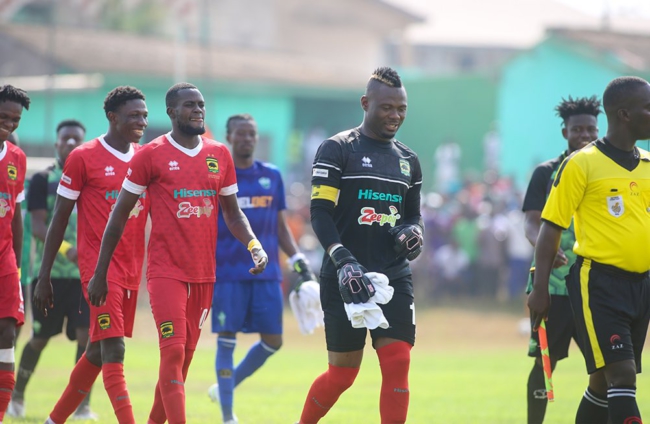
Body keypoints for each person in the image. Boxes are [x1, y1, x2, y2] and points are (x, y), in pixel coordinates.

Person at [88, 82, 268, 424]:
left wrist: (253, 245)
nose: (198, 110)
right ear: (171, 112)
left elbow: (232, 214)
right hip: (165, 272)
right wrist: (100, 272)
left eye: (201, 104)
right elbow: (119, 215)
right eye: (189, 105)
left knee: (182, 362)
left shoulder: (219, 155)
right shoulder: (150, 155)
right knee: (171, 353)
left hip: (204, 274)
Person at [299, 67, 423, 424]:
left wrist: (413, 233)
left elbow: (414, 216)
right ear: (365, 103)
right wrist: (343, 260)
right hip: (344, 275)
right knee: (342, 375)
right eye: (387, 107)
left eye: (401, 109)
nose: (395, 115)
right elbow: (320, 212)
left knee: (398, 361)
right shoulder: (338, 148)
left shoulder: (409, 160)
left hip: (393, 275)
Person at [529, 76, 650, 424]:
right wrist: (540, 289)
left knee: (601, 383)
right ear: (625, 114)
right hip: (599, 283)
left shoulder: (647, 163)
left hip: (641, 285)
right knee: (622, 376)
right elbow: (549, 227)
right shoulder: (581, 163)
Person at [33, 86, 149, 424]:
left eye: (144, 115)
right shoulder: (83, 157)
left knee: (95, 352)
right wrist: (44, 275)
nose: (142, 122)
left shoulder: (145, 158)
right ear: (112, 117)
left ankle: (53, 420)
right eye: (134, 115)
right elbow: (58, 220)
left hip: (131, 270)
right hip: (98, 271)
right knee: (114, 349)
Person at [207, 114, 316, 423]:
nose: (247, 139)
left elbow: (281, 227)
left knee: (273, 340)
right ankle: (228, 416)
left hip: (268, 274)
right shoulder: (218, 176)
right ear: (229, 137)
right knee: (226, 339)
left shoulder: (271, 175)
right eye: (241, 134)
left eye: (252, 134)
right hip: (229, 273)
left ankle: (226, 386)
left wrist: (297, 259)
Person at [8, 120, 95, 420]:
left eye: (76, 139)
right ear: (56, 143)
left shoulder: (92, 180)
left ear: (83, 144)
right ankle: (17, 397)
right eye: (65, 138)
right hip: (49, 276)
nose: (70, 143)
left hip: (84, 277)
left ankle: (83, 405)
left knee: (86, 339)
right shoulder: (43, 180)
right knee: (40, 338)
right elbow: (38, 226)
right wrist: (67, 249)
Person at [522, 96, 601, 424]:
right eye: (577, 129)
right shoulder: (546, 172)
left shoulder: (605, 170)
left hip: (596, 286)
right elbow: (531, 222)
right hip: (552, 286)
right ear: (564, 132)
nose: (585, 135)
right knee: (545, 363)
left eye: (591, 129)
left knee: (606, 368)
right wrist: (545, 247)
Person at [0, 84, 30, 424]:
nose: (9, 124)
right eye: (3, 117)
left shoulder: (17, 158)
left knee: (7, 332)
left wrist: (17, 267)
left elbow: (17, 215)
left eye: (15, 120)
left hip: (6, 260)